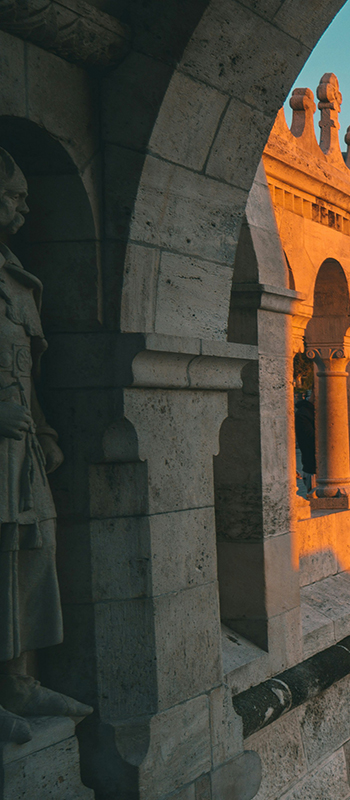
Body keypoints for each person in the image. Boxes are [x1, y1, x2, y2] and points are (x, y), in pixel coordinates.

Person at [0, 146, 92, 743]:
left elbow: (25, 375)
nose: (26, 208)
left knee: (30, 553)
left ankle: (16, 680)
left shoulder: (18, 283)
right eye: (14, 196)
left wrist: (48, 431)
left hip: (22, 452)